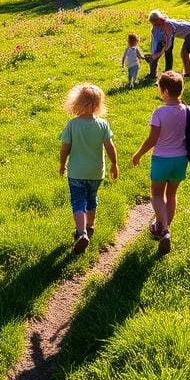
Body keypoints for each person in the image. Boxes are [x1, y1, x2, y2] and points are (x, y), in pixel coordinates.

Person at [131, 71, 190, 254]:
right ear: (181, 90)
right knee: (171, 195)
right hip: (180, 161)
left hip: (161, 160)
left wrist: (138, 154)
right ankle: (163, 229)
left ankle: (163, 229)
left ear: (163, 91)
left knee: (156, 194)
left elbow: (152, 140)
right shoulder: (188, 111)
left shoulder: (159, 113)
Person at [59, 83, 119, 254]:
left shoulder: (73, 125)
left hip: (76, 172)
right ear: (98, 105)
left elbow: (65, 148)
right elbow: (110, 146)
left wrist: (62, 164)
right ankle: (90, 226)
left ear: (77, 103)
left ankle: (81, 232)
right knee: (91, 199)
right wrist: (114, 164)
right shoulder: (102, 124)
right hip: (96, 172)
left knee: (78, 201)